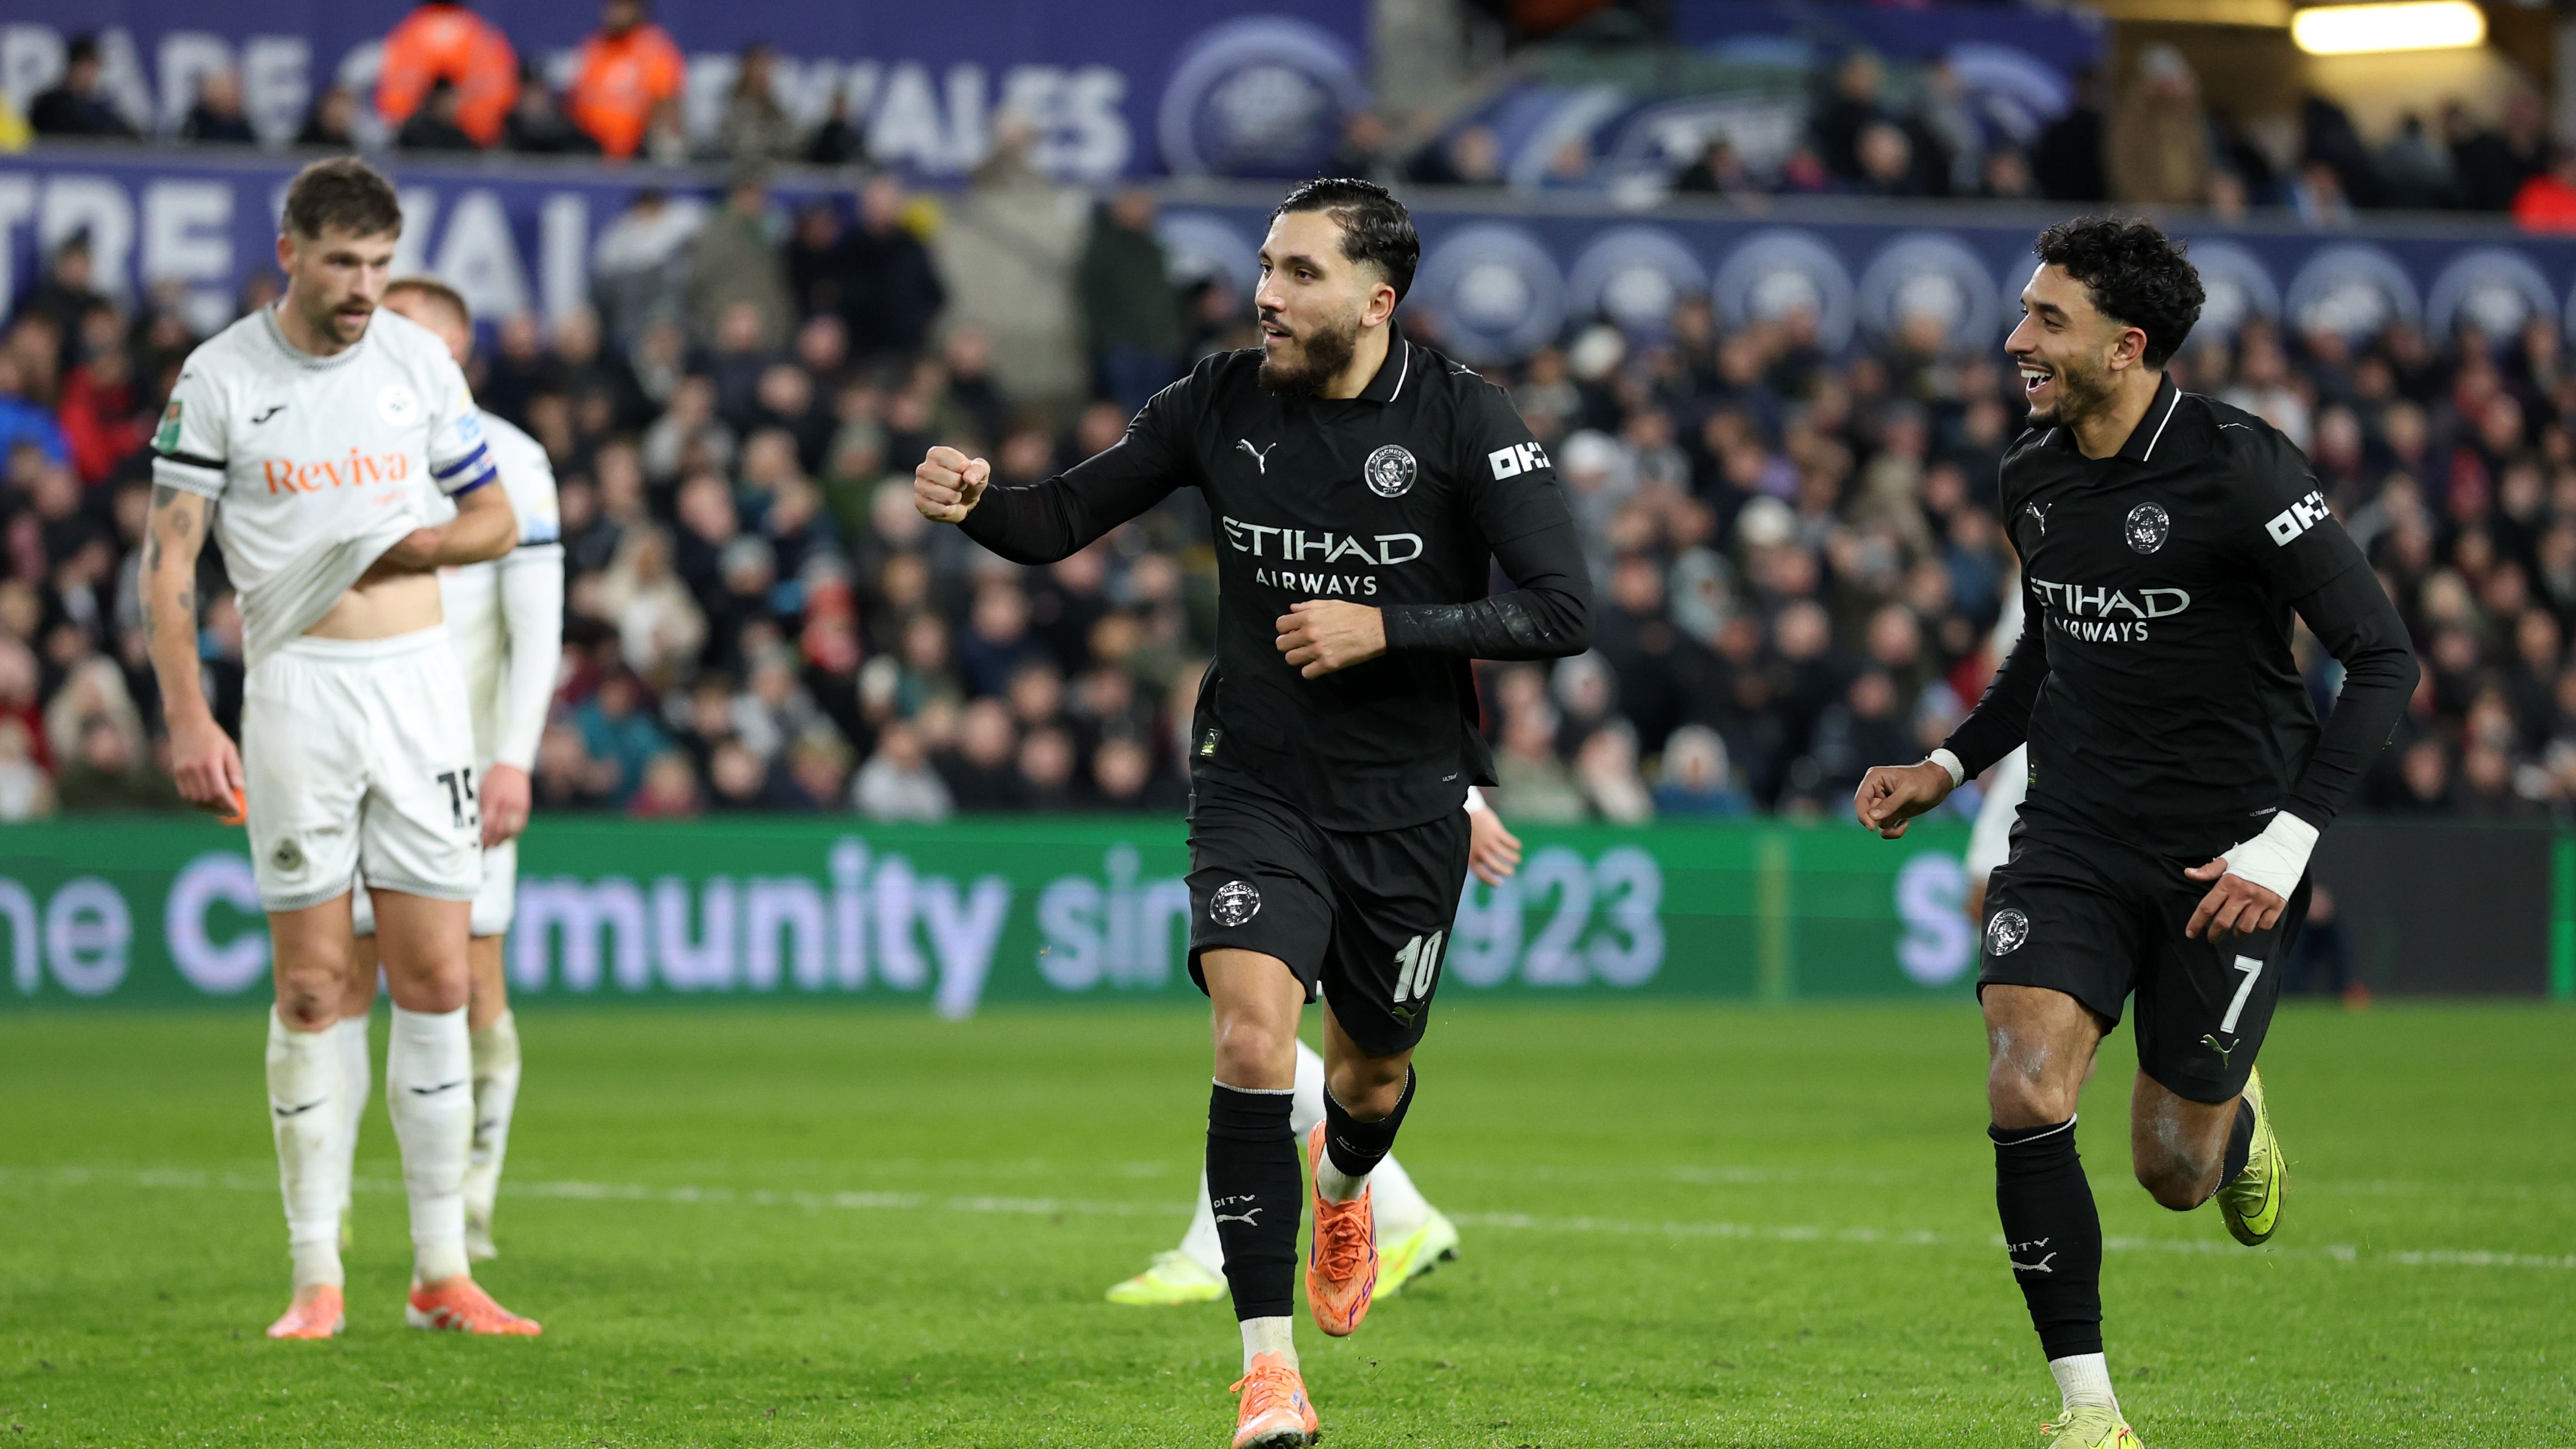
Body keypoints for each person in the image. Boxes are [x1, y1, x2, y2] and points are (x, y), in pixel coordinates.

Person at [914, 177, 1592, 1449]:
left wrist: (1386, 625)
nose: (1265, 295)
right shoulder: (1217, 400)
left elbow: (1563, 610)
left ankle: (1347, 1184)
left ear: (1376, 300)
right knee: (1248, 1041)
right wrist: (978, 504)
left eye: (1298, 274)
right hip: (1255, 778)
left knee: (1372, 1066)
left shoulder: (1465, 419)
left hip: (1406, 801)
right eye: (1265, 268)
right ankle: (1267, 1372)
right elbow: (1063, 514)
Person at [1853, 217, 2417, 1449]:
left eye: (2047, 320)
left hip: (2231, 853)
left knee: (2175, 1169)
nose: (2017, 340)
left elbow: (2383, 659)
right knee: (2024, 1083)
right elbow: (2047, 648)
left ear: (2131, 344)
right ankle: (2088, 1411)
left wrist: (2286, 842)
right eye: (2024, 313)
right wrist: (1950, 761)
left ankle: (2234, 1114)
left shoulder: (2243, 468)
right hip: (2073, 826)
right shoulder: (2031, 473)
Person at [142, 156, 538, 1342]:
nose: (365, 287)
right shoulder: (220, 377)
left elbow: (496, 516)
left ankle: (437, 1270)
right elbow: (170, 560)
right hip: (298, 691)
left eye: (379, 262)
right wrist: (185, 715)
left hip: (419, 695)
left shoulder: (418, 360)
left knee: (439, 979)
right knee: (314, 983)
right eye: (343, 263)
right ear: (289, 251)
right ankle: (317, 1275)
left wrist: (416, 551)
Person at [340, 276, 565, 1267]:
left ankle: (472, 1198)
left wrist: (513, 759)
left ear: (458, 356)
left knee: (473, 985)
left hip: (463, 771)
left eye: (420, 342)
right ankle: (332, 1197)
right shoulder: (334, 454)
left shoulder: (513, 463)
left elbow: (536, 627)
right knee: (338, 982)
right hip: (348, 756)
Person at [1105, 789, 1520, 1307]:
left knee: (1267, 1030)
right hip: (1266, 805)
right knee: (1247, 1027)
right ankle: (1390, 1216)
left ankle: (1390, 1217)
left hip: (1342, 830)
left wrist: (1469, 801)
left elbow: (1400, 708)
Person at [374, 1, 519, 149]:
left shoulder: (408, 33)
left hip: (472, 143)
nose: (447, 103)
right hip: (418, 144)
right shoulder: (482, 34)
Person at [566, 0, 685, 161]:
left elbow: (665, 102)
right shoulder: (595, 45)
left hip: (640, 143)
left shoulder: (654, 47)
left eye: (623, 7)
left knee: (667, 146)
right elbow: (577, 98)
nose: (616, 13)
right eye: (613, 6)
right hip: (590, 142)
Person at [29, 36, 139, 139]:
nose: (94, 74)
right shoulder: (49, 105)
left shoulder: (98, 109)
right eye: (90, 67)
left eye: (96, 68)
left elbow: (126, 133)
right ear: (76, 66)